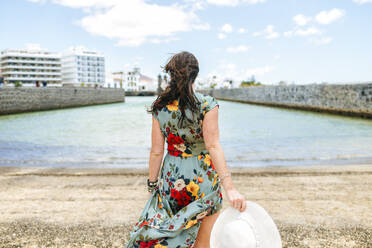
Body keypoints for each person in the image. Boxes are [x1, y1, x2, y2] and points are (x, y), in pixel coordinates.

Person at [125, 51, 246, 248]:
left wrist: (152, 186)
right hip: (202, 180)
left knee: (170, 236)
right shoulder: (207, 105)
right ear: (195, 75)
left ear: (171, 75)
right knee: (203, 243)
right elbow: (213, 145)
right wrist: (230, 188)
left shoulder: (160, 106)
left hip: (172, 181)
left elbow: (156, 151)